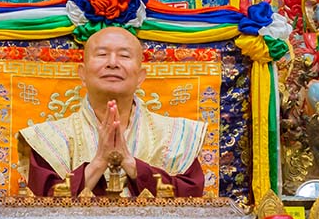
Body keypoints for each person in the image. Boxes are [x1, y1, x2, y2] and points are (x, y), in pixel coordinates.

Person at [19, 26, 207, 197]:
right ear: (82, 74)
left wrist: (132, 165)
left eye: (124, 56)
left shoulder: (178, 136)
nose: (112, 63)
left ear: (141, 77)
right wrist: (99, 163)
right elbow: (42, 203)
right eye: (102, 54)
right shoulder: (47, 139)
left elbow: (191, 199)